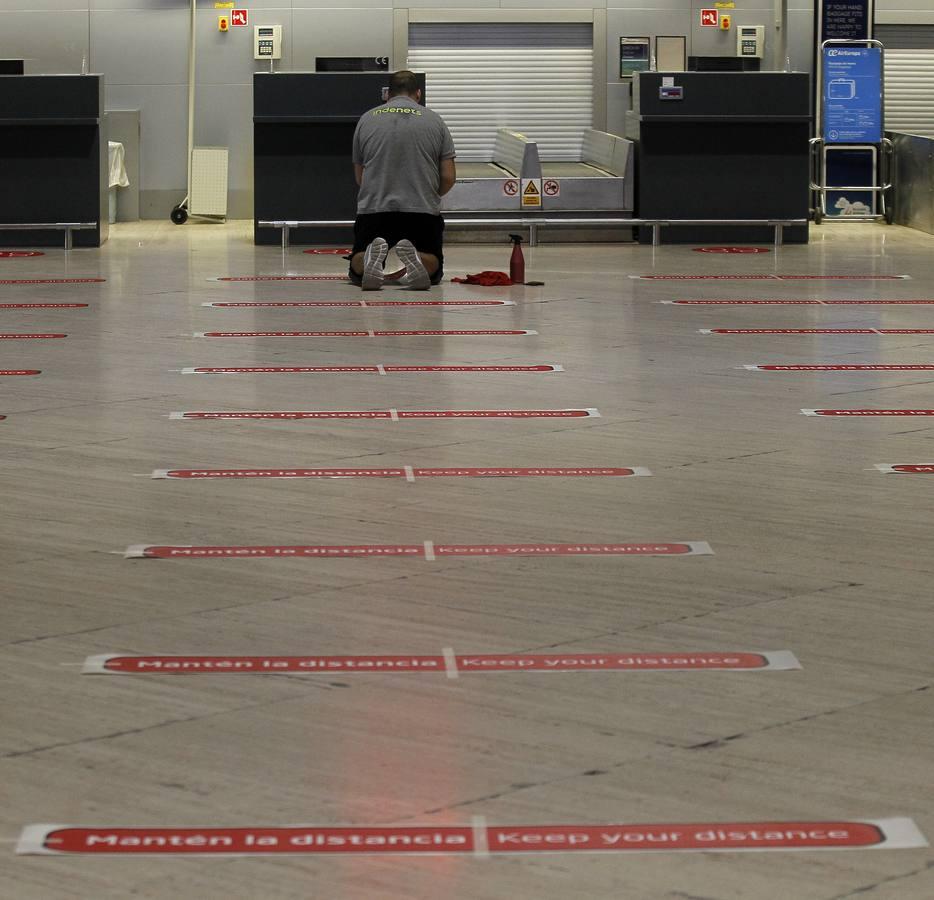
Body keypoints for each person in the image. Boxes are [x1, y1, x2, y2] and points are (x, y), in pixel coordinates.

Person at [349, 70, 457, 290]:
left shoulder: (366, 119)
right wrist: (429, 195)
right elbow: (448, 176)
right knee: (434, 266)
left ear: (388, 94)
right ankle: (419, 260)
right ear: (418, 93)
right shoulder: (435, 121)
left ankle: (368, 258)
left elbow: (360, 176)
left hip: (375, 209)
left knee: (356, 265)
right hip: (421, 211)